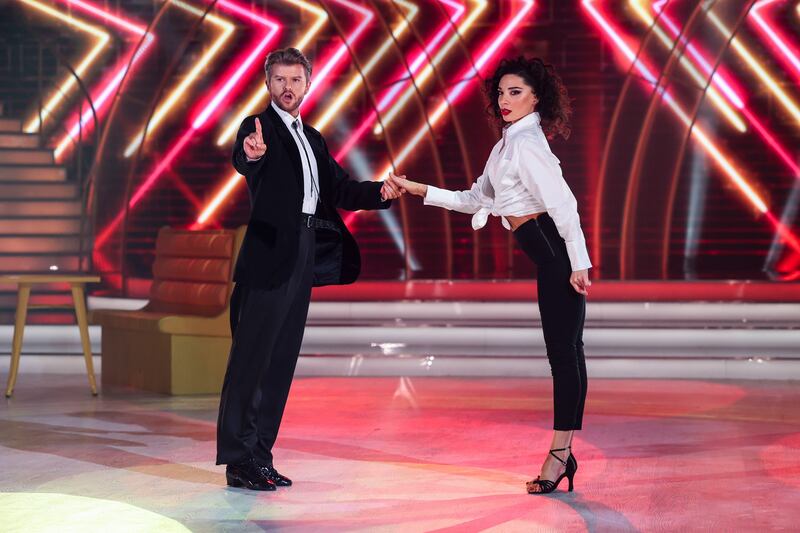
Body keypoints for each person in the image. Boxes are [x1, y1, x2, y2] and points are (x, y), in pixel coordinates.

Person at [388, 56, 591, 494]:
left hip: (556, 256)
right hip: (549, 258)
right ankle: (564, 452)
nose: (504, 99)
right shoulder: (507, 145)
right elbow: (474, 198)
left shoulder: (527, 144)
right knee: (566, 353)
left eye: (515, 92)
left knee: (564, 355)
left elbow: (563, 204)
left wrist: (578, 261)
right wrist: (420, 189)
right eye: (500, 92)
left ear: (537, 97)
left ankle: (559, 454)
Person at [216, 47, 403, 491]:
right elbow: (245, 159)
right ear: (267, 83)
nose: (286, 88)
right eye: (279, 79)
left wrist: (382, 193)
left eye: (294, 80)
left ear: (307, 85)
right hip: (268, 256)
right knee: (251, 362)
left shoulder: (312, 138)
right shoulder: (256, 127)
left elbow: (338, 189)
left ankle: (260, 455)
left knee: (280, 362)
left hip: (303, 251)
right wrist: (252, 154)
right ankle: (239, 461)